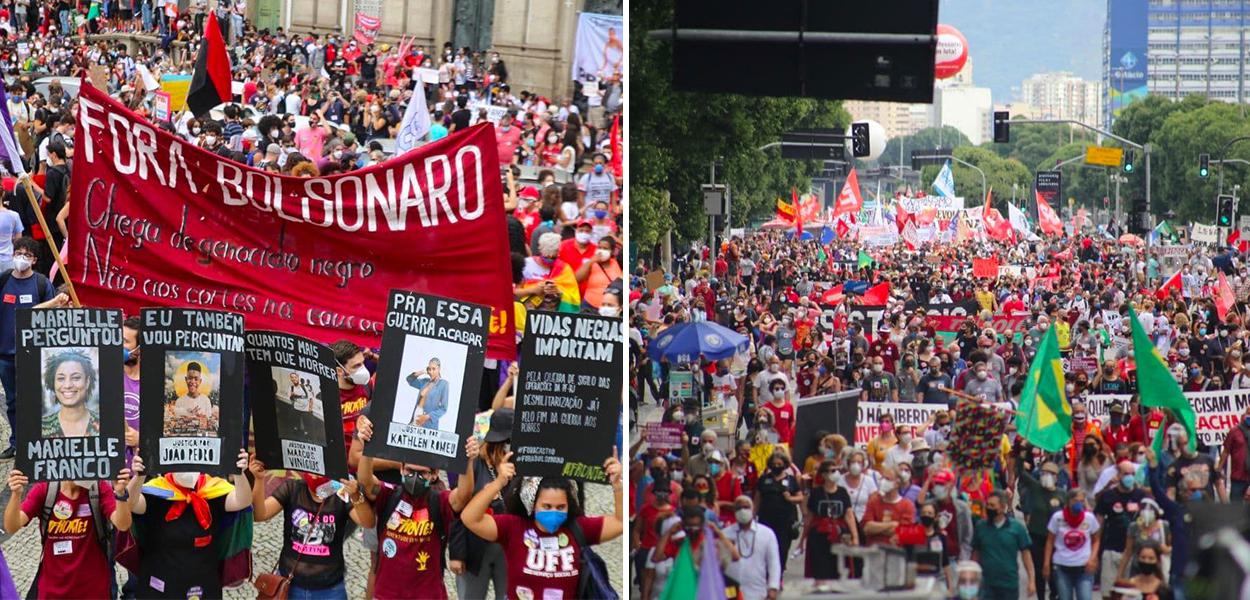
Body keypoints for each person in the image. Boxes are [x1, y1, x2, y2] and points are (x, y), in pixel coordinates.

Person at [462, 447, 623, 600]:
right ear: (532, 503)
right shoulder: (513, 527)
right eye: (546, 506)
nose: (553, 512)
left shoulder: (579, 528)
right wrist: (499, 482)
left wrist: (617, 485)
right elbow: (470, 518)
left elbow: (619, 522)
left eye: (561, 507)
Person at [126, 451, 254, 598]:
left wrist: (239, 473)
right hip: (159, 587)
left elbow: (243, 501)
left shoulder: (213, 489)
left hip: (203, 587)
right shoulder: (157, 491)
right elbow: (130, 503)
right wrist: (139, 476)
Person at [249, 459, 375, 597]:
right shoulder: (292, 488)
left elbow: (367, 522)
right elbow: (260, 514)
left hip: (329, 588)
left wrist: (356, 496)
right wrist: (259, 480)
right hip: (290, 585)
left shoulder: (340, 494)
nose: (314, 475)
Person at [3, 466, 134, 598]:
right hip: (53, 591)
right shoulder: (45, 489)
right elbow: (12, 526)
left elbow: (123, 525)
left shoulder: (99, 488)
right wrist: (16, 494)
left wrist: (121, 495)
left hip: (93, 590)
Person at [0, 236, 65, 457]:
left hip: (33, 356)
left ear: (34, 259)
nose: (22, 258)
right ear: (12, 254)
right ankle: (17, 443)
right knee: (12, 402)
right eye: (19, 253)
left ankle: (37, 443)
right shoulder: (3, 280)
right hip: (5, 356)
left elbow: (48, 316)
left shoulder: (41, 283)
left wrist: (57, 303)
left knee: (36, 401)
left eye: (27, 255)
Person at [971, 490, 1035, 600]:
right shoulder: (980, 527)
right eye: (988, 505)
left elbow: (1026, 555)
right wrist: (971, 579)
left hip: (1009, 585)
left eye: (992, 505)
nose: (989, 508)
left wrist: (1031, 581)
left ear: (1002, 507)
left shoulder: (1016, 528)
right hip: (986, 585)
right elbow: (976, 553)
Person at [801, 459, 856, 582]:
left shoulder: (842, 492)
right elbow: (810, 517)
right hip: (819, 536)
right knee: (819, 569)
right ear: (824, 474)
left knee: (838, 568)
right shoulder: (816, 493)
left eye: (837, 470)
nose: (835, 473)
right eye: (832, 471)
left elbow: (849, 515)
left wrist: (854, 536)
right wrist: (802, 540)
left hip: (839, 534)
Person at [1045, 490, 1101, 600]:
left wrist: (1092, 558)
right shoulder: (1057, 517)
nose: (1078, 504)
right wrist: (1046, 563)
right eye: (1075, 501)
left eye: (1081, 501)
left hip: (1084, 567)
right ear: (1068, 501)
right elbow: (1050, 541)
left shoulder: (1089, 518)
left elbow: (1096, 540)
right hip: (1062, 566)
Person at [723, 495, 781, 600]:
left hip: (757, 591)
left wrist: (773, 587)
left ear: (752, 509)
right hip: (731, 591)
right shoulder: (725, 534)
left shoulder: (767, 533)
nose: (742, 511)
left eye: (746, 507)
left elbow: (774, 563)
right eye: (739, 508)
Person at [753, 451, 802, 572]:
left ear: (784, 465)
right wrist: (753, 516)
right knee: (766, 546)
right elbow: (757, 499)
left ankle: (779, 571)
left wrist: (790, 498)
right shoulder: (764, 479)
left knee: (782, 547)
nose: (776, 466)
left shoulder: (791, 480)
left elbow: (800, 497)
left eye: (779, 464)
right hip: (766, 518)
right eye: (774, 464)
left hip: (786, 519)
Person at [40, 349, 101, 438]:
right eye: (61, 379)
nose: (67, 385)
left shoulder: (106, 424)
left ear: (87, 382)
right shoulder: (41, 427)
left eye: (76, 378)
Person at [405, 358, 449, 429]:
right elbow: (409, 380)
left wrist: (427, 417)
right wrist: (422, 371)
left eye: (434, 369)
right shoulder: (424, 382)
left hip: (428, 425)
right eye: (429, 369)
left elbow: (443, 408)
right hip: (415, 421)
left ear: (439, 369)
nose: (431, 372)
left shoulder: (443, 384)